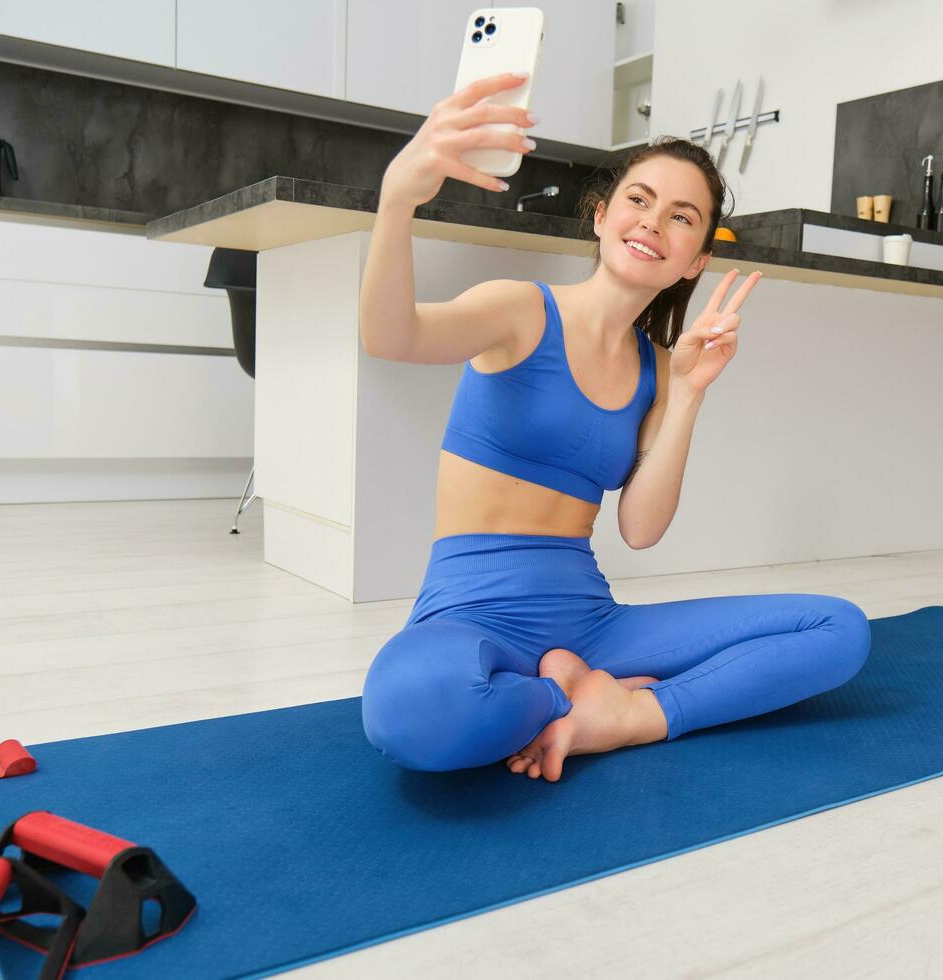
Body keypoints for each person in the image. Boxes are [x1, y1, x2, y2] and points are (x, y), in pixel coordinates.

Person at [359, 71, 872, 782]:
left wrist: (690, 392)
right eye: (639, 199)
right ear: (601, 216)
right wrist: (396, 200)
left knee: (839, 629)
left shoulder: (662, 369)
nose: (653, 223)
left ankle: (630, 717)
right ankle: (561, 692)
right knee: (409, 713)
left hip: (594, 624)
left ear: (695, 260)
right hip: (471, 613)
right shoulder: (517, 311)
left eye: (682, 216)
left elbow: (640, 529)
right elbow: (391, 336)